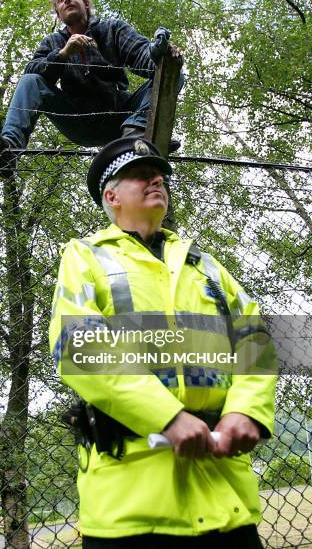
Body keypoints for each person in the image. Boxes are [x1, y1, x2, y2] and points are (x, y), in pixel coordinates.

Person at [49, 136, 276, 548]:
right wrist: (167, 416)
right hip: (131, 505)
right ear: (111, 195)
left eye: (159, 176)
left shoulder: (204, 264)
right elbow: (78, 345)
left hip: (226, 496)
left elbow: (255, 336)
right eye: (139, 176)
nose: (156, 180)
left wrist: (247, 410)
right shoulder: (84, 256)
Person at [0, 0, 184, 176]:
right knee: (30, 80)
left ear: (85, 4)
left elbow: (141, 55)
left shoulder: (112, 29)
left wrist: (158, 55)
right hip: (80, 122)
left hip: (121, 118)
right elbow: (33, 71)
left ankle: (142, 138)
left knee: (171, 74)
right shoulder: (53, 42)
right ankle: (8, 152)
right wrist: (63, 54)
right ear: (58, 13)